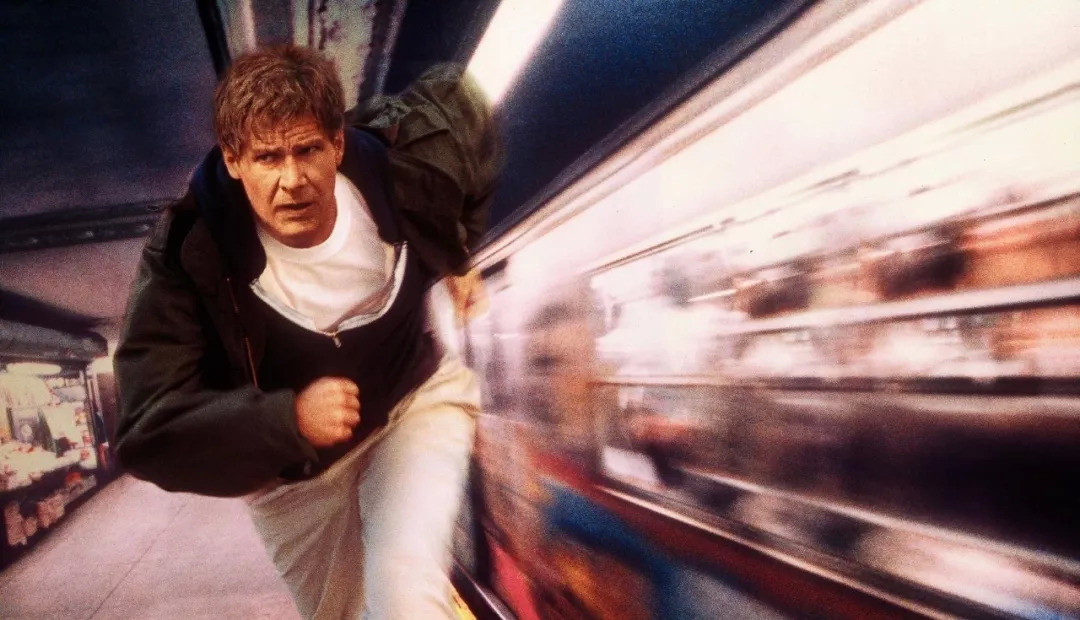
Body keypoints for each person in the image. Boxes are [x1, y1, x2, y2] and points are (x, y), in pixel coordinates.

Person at [113, 45, 499, 619]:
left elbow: (463, 101)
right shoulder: (188, 255)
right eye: (267, 158)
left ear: (337, 144)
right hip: (296, 479)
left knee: (403, 599)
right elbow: (146, 432)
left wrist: (457, 250)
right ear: (234, 159)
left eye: (308, 150)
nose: (292, 180)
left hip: (413, 401)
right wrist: (286, 420)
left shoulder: (400, 165)